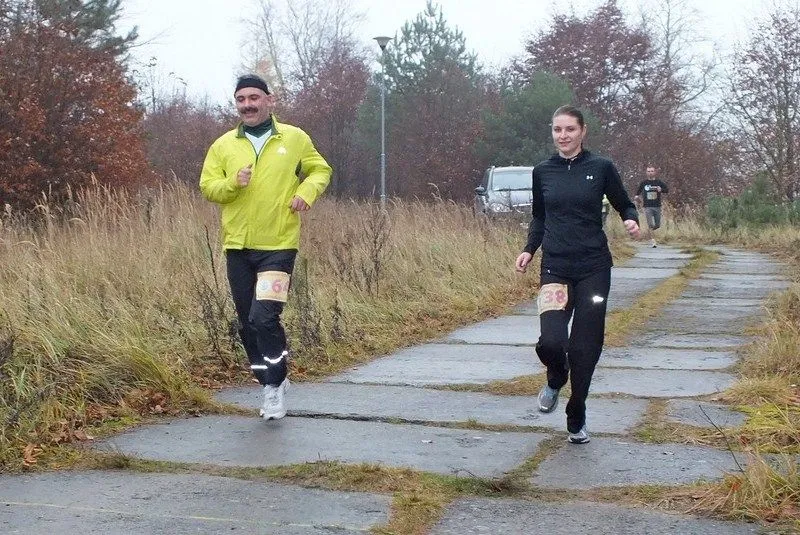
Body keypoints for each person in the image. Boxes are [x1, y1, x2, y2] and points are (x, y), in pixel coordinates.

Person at [200, 74, 332, 420]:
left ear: (269, 100)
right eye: (241, 99)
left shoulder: (294, 138)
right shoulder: (223, 145)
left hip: (279, 245)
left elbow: (320, 170)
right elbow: (208, 187)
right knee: (247, 323)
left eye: (254, 97)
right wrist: (232, 183)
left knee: (264, 317)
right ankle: (269, 379)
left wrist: (306, 192)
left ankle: (274, 386)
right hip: (238, 246)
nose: (247, 105)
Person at [514, 105, 640, 444]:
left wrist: (631, 219)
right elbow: (539, 217)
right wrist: (529, 249)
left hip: (593, 269)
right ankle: (556, 378)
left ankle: (576, 413)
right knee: (551, 341)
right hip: (555, 267)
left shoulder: (601, 167)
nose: (563, 135)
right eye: (557, 129)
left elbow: (624, 203)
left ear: (583, 131)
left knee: (586, 347)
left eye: (570, 129)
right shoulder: (543, 171)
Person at [634, 165, 669, 247]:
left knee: (657, 225)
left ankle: (648, 233)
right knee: (650, 224)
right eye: (648, 171)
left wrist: (661, 190)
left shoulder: (659, 182)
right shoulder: (644, 183)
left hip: (657, 206)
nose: (650, 173)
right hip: (647, 206)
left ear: (655, 172)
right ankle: (653, 241)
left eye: (652, 171)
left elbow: (667, 190)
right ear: (646, 172)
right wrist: (636, 196)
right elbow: (638, 191)